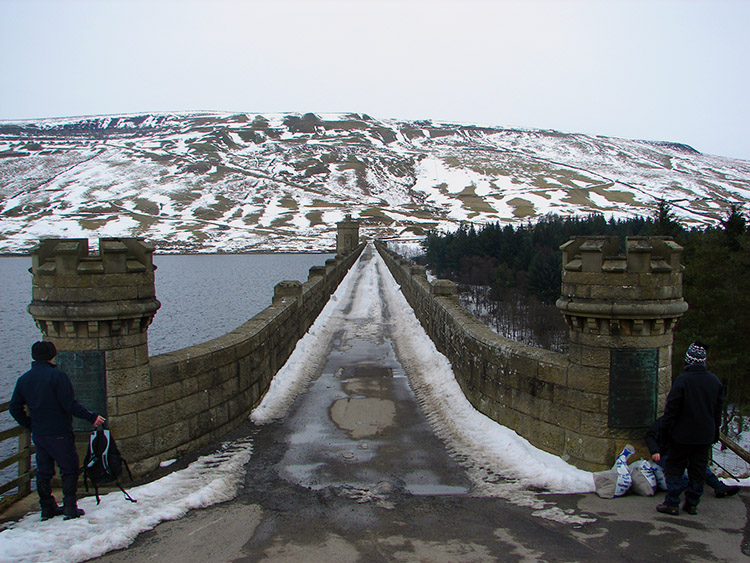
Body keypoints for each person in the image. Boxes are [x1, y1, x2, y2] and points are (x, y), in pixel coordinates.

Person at [9, 341, 105, 521]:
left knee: (44, 471)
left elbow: (14, 408)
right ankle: (70, 507)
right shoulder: (57, 376)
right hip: (59, 432)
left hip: (40, 433)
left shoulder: (24, 379)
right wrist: (91, 417)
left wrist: (30, 424)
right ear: (52, 355)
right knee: (68, 469)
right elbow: (70, 405)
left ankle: (47, 507)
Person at [656, 341, 724, 516]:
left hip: (682, 435)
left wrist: (664, 434)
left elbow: (671, 411)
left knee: (675, 468)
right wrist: (714, 433)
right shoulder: (714, 382)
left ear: (688, 360)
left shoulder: (682, 381)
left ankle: (672, 502)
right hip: (704, 436)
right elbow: (717, 412)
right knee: (698, 470)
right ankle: (692, 503)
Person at [646, 416, 739, 498]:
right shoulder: (663, 422)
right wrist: (655, 451)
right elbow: (650, 436)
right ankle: (681, 493)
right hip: (665, 454)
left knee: (700, 466)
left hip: (683, 453)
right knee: (677, 474)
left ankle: (718, 486)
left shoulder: (687, 423)